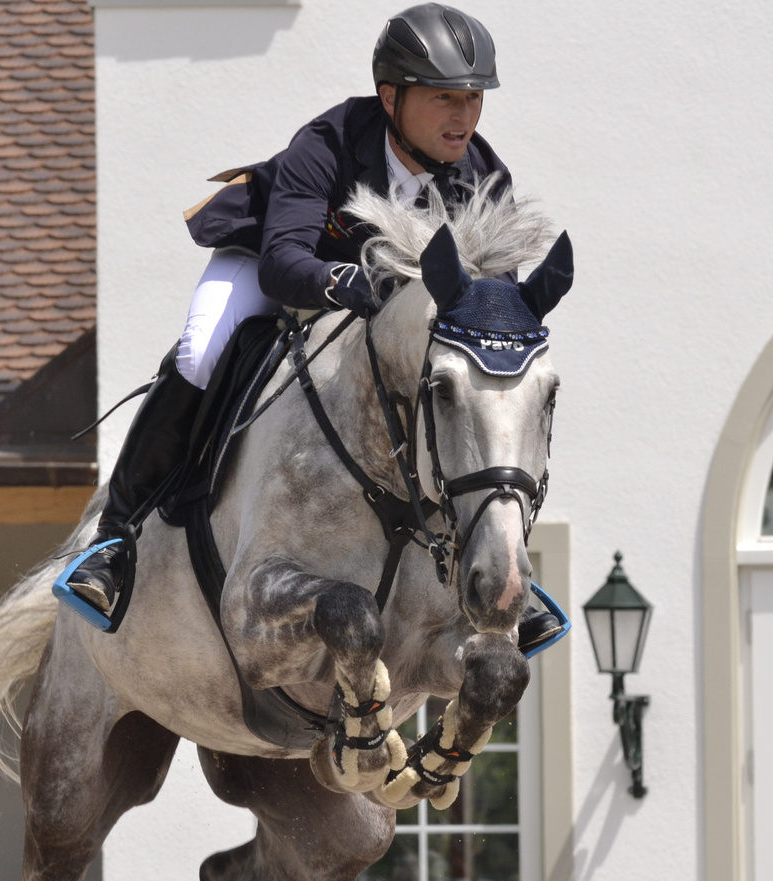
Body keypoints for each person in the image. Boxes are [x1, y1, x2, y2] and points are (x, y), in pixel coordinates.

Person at [66, 4, 563, 652]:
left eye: (472, 99)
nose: (463, 116)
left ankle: (501, 565)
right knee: (200, 349)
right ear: (391, 96)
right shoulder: (326, 143)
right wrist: (355, 287)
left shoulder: (481, 176)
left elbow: (488, 312)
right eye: (445, 98)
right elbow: (283, 264)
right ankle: (117, 539)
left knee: (485, 386)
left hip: (376, 302)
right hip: (273, 265)